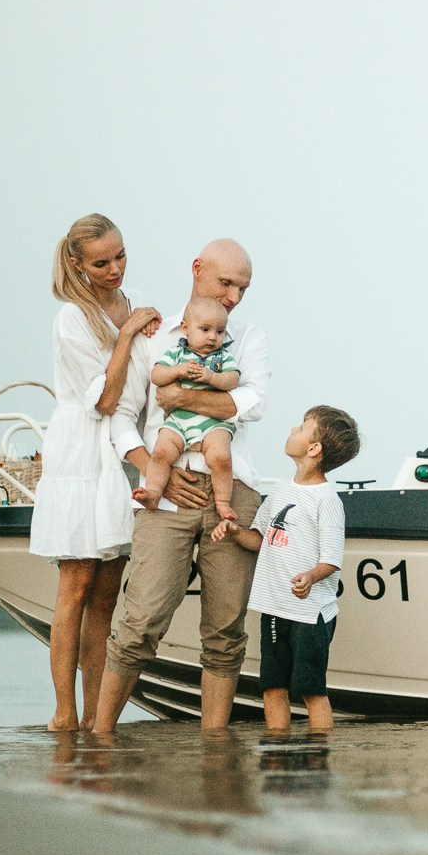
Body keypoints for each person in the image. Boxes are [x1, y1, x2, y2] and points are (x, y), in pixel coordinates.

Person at [92, 239, 269, 735]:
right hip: (165, 494)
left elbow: (250, 403)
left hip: (231, 492)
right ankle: (98, 740)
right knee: (140, 621)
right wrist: (159, 476)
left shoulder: (248, 337)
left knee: (225, 629)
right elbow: (123, 416)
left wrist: (176, 394)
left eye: (243, 288)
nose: (234, 297)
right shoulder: (155, 335)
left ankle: (214, 747)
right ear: (197, 269)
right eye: (226, 283)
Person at [27, 214, 162, 731]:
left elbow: (146, 382)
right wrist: (127, 334)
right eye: (102, 262)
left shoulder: (138, 303)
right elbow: (103, 399)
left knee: (108, 591)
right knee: (76, 585)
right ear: (78, 265)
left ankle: (97, 718)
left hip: (124, 447)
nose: (115, 269)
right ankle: (65, 712)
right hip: (83, 448)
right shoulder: (72, 319)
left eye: (120, 256)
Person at [213, 407, 361, 734]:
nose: (293, 428)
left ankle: (318, 758)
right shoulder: (281, 490)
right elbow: (261, 540)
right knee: (272, 686)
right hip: (275, 608)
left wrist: (311, 577)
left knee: (310, 690)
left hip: (311, 614)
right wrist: (235, 531)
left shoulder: (327, 501)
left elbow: (332, 559)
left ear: (313, 449)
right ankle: (275, 758)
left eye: (302, 426)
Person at [132, 296, 242, 520]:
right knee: (161, 453)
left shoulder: (222, 357)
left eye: (220, 332)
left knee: (221, 458)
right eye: (205, 329)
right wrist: (178, 371)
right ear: (186, 329)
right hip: (179, 420)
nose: (213, 337)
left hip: (212, 422)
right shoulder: (176, 354)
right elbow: (157, 375)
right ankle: (153, 493)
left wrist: (212, 377)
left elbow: (233, 380)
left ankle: (222, 502)